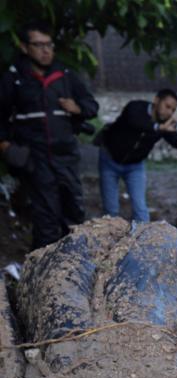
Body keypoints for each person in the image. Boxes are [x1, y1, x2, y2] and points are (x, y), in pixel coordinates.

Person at [0, 21, 99, 249]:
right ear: (25, 47)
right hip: (35, 159)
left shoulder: (65, 76)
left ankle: (74, 268)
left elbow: (91, 105)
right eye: (38, 45)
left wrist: (78, 108)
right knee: (45, 218)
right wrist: (5, 146)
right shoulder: (14, 79)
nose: (46, 51)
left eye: (49, 45)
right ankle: (44, 274)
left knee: (74, 214)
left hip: (66, 156)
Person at [98, 89, 177, 223]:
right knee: (111, 210)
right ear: (156, 100)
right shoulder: (136, 107)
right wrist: (158, 128)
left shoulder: (163, 124)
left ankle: (142, 242)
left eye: (173, 110)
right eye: (167, 106)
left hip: (135, 166)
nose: (169, 112)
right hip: (110, 160)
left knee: (141, 211)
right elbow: (136, 122)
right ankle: (108, 241)